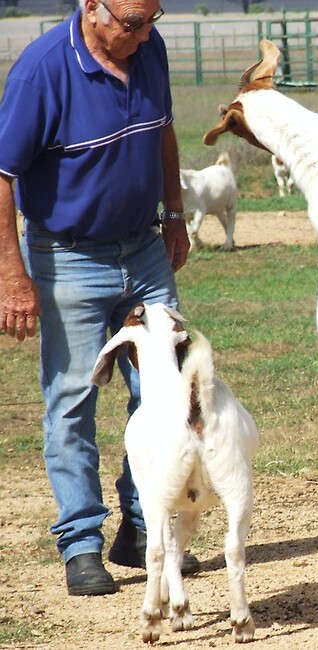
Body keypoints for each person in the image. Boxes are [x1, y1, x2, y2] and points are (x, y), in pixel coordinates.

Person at [0, 0, 198, 596]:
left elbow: (162, 131)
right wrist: (12, 273)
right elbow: (3, 175)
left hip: (142, 249)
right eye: (132, 24)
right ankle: (82, 544)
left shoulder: (148, 50)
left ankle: (144, 532)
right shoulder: (42, 72)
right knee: (72, 400)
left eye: (152, 22)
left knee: (167, 392)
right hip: (68, 257)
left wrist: (176, 214)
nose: (141, 38)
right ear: (92, 8)